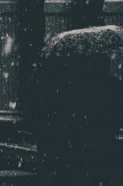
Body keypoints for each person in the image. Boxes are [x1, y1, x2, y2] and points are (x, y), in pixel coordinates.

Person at [23, 54, 123, 186]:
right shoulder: (112, 83)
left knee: (54, 165)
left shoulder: (83, 83)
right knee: (98, 169)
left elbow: (73, 108)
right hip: (99, 134)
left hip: (76, 134)